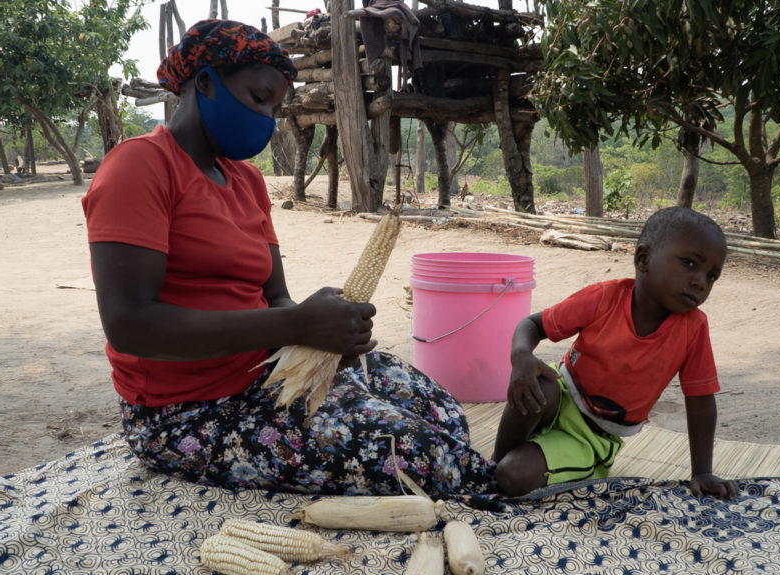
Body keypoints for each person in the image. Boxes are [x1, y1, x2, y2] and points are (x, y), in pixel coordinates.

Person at [81, 19, 495, 498]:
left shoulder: (247, 182)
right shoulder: (141, 165)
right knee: (426, 457)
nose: (267, 118)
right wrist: (296, 327)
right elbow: (130, 324)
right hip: (187, 411)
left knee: (441, 411)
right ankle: (499, 480)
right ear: (205, 83)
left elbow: (275, 296)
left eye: (276, 108)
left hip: (268, 374)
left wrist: (319, 338)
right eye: (258, 99)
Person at [492, 206, 739, 500]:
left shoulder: (693, 329)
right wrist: (521, 357)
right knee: (540, 384)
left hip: (593, 436)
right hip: (560, 397)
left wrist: (702, 471)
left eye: (712, 276)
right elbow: (532, 325)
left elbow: (700, 402)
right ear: (643, 259)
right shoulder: (604, 298)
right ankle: (492, 465)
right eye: (688, 263)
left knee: (513, 476)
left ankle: (585, 464)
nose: (700, 281)